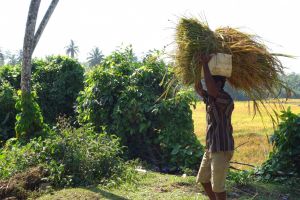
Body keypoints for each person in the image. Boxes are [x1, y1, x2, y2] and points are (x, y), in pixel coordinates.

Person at [194, 54, 234, 200]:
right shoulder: (210, 98)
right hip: (211, 147)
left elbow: (211, 90)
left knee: (218, 186)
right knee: (203, 179)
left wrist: (205, 64)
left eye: (210, 82)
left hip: (222, 148)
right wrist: (197, 68)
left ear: (218, 85)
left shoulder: (226, 98)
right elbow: (198, 88)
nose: (207, 85)